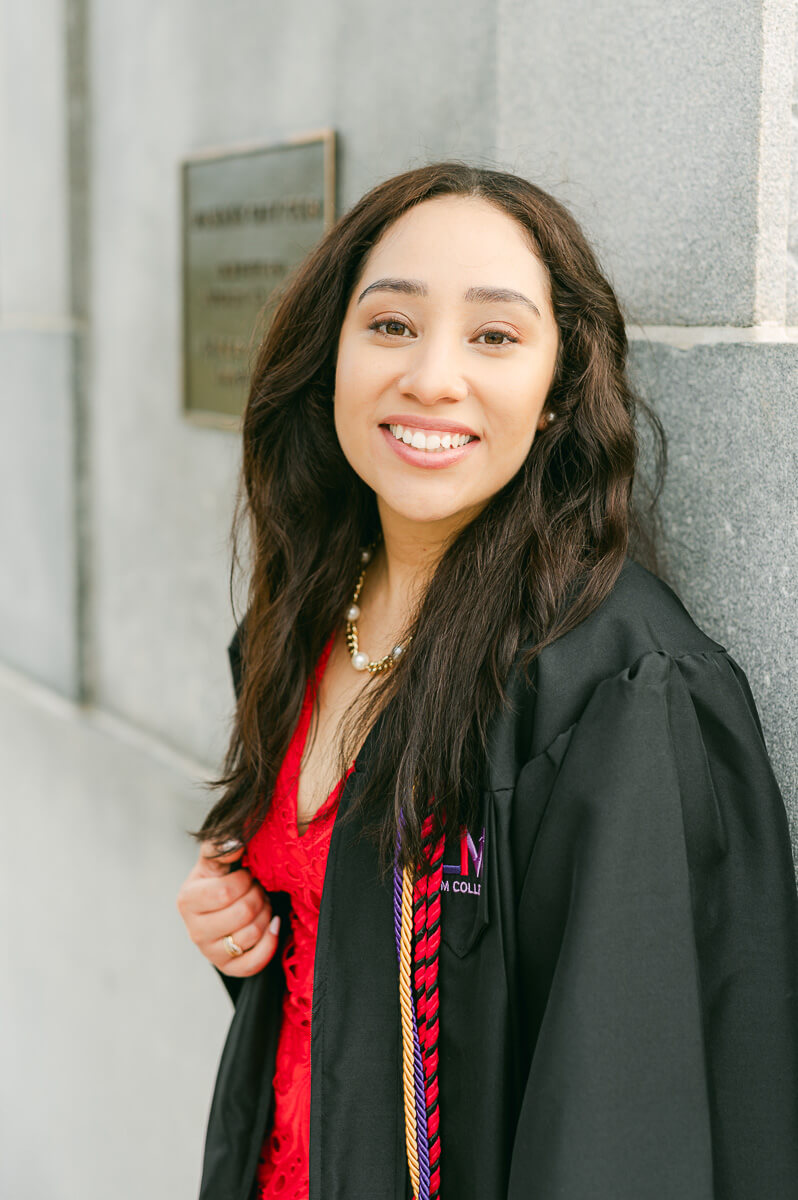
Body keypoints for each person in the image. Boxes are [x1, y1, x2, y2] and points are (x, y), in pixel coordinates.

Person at [176, 161, 798, 1200]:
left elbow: (620, 1132)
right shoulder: (304, 616)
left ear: (558, 391)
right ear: (329, 353)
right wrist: (246, 920)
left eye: (495, 336)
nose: (431, 377)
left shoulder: (611, 691)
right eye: (390, 325)